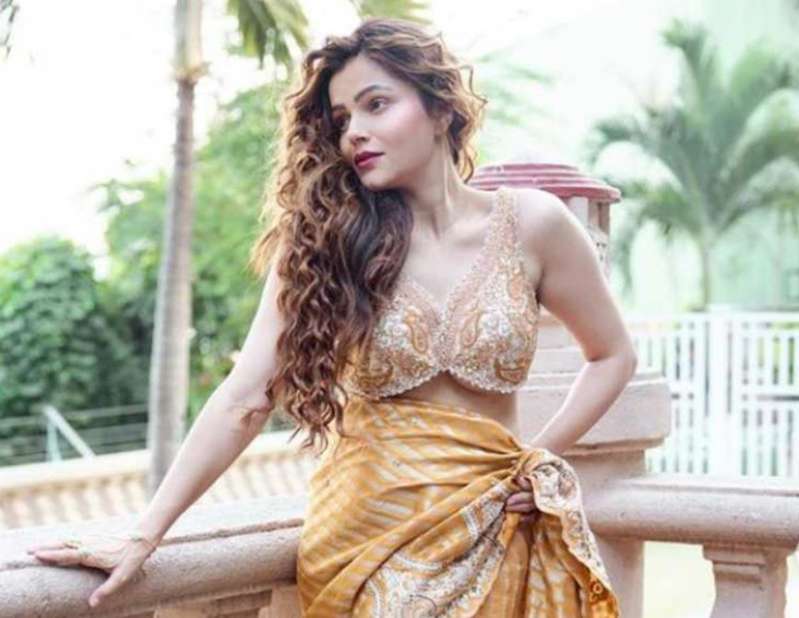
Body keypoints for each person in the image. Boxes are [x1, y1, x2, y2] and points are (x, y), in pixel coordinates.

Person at [27, 16, 636, 616]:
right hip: (370, 547)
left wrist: (539, 458)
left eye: (376, 105)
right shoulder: (327, 243)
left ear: (441, 108)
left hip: (498, 527)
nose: (355, 134)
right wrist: (144, 535)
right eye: (342, 120)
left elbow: (612, 356)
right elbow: (245, 398)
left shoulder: (535, 225)